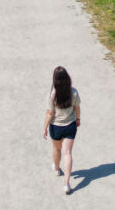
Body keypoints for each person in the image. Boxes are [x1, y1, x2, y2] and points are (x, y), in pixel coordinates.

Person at [42, 66, 81, 194]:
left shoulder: (52, 94)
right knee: (67, 153)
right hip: (70, 125)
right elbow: (77, 109)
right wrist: (78, 119)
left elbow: (50, 113)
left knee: (57, 149)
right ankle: (66, 184)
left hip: (56, 126)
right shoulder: (73, 92)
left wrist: (45, 127)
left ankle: (57, 169)